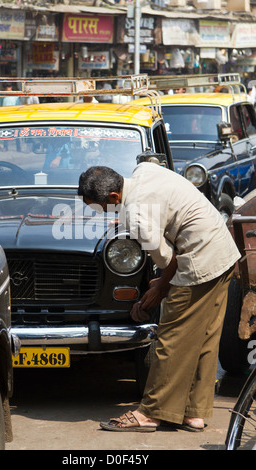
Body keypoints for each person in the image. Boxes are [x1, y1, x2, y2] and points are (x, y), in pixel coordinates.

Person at [78, 162, 240, 432]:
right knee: (205, 336)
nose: (100, 213)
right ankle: (194, 413)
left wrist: (160, 288)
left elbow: (170, 261)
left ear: (115, 197)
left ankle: (151, 413)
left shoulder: (137, 218)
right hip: (222, 249)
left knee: (171, 338)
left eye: (98, 207)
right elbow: (159, 204)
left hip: (199, 259)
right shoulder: (144, 171)